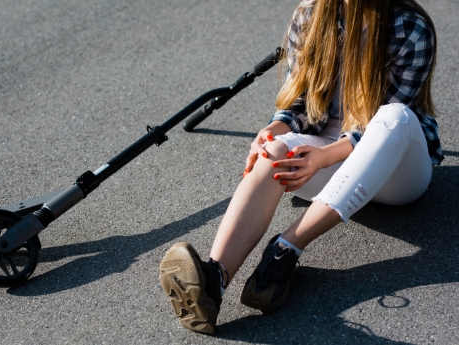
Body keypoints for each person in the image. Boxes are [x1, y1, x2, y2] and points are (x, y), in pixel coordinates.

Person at [158, 0, 442, 335]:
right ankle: (213, 280)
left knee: (395, 118)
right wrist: (274, 129)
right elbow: (301, 100)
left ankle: (285, 250)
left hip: (398, 175)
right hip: (324, 161)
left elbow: (387, 119)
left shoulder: (410, 26)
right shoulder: (311, 14)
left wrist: (325, 156)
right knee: (277, 150)